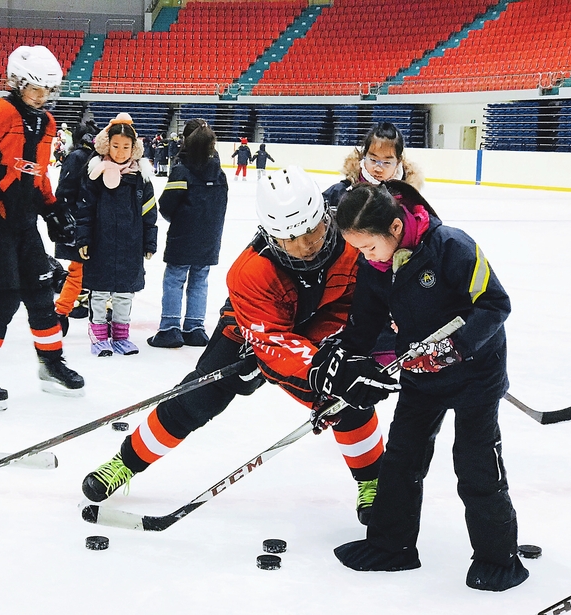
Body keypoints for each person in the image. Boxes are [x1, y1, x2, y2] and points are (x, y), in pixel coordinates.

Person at [81, 166, 396, 528]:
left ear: (326, 215)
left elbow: (374, 295)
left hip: (328, 317)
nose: (305, 245)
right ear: (269, 233)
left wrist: (349, 360)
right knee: (196, 398)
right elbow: (273, 341)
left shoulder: (350, 240)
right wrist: (308, 365)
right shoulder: (250, 272)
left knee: (346, 394)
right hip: (256, 324)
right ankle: (126, 462)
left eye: (312, 230)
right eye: (290, 238)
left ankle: (372, 480)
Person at [323, 181, 527, 592]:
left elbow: (494, 304)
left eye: (368, 247)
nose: (365, 257)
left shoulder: (452, 246)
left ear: (396, 228)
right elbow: (364, 325)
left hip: (476, 374)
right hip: (421, 372)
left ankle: (498, 556)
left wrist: (457, 347)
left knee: (474, 464)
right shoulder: (377, 267)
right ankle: (390, 546)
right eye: (359, 249)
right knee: (402, 458)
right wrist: (344, 357)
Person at [0, 45, 84, 410]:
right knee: (4, 300)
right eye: (34, 88)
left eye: (46, 90)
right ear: (17, 83)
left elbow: (34, 173)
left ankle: (52, 365)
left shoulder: (46, 123)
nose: (41, 97)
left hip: (24, 225)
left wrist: (52, 209)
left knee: (41, 297)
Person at [76, 112, 157, 357]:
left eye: (126, 147)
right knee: (99, 292)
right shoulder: (95, 175)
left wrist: (149, 242)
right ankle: (99, 337)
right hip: (101, 242)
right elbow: (85, 209)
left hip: (130, 245)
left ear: (134, 148)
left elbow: (149, 213)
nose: (120, 152)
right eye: (115, 146)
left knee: (124, 293)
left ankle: (121, 336)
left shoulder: (141, 180)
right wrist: (83, 238)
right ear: (106, 145)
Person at [147, 118, 227, 349]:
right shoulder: (219, 173)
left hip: (183, 235)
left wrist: (179, 221)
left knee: (174, 279)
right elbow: (221, 205)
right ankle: (194, 327)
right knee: (199, 280)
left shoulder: (182, 170)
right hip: (209, 238)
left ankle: (170, 328)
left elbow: (167, 205)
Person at [53, 118, 98, 332]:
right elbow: (64, 192)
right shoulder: (79, 158)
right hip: (81, 223)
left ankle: (67, 309)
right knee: (78, 270)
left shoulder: (92, 157)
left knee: (82, 270)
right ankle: (62, 311)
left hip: (88, 222)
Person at [327, 122, 424, 207]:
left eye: (386, 162)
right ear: (364, 156)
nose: (378, 168)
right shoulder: (342, 192)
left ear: (398, 162)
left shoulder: (409, 199)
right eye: (373, 160)